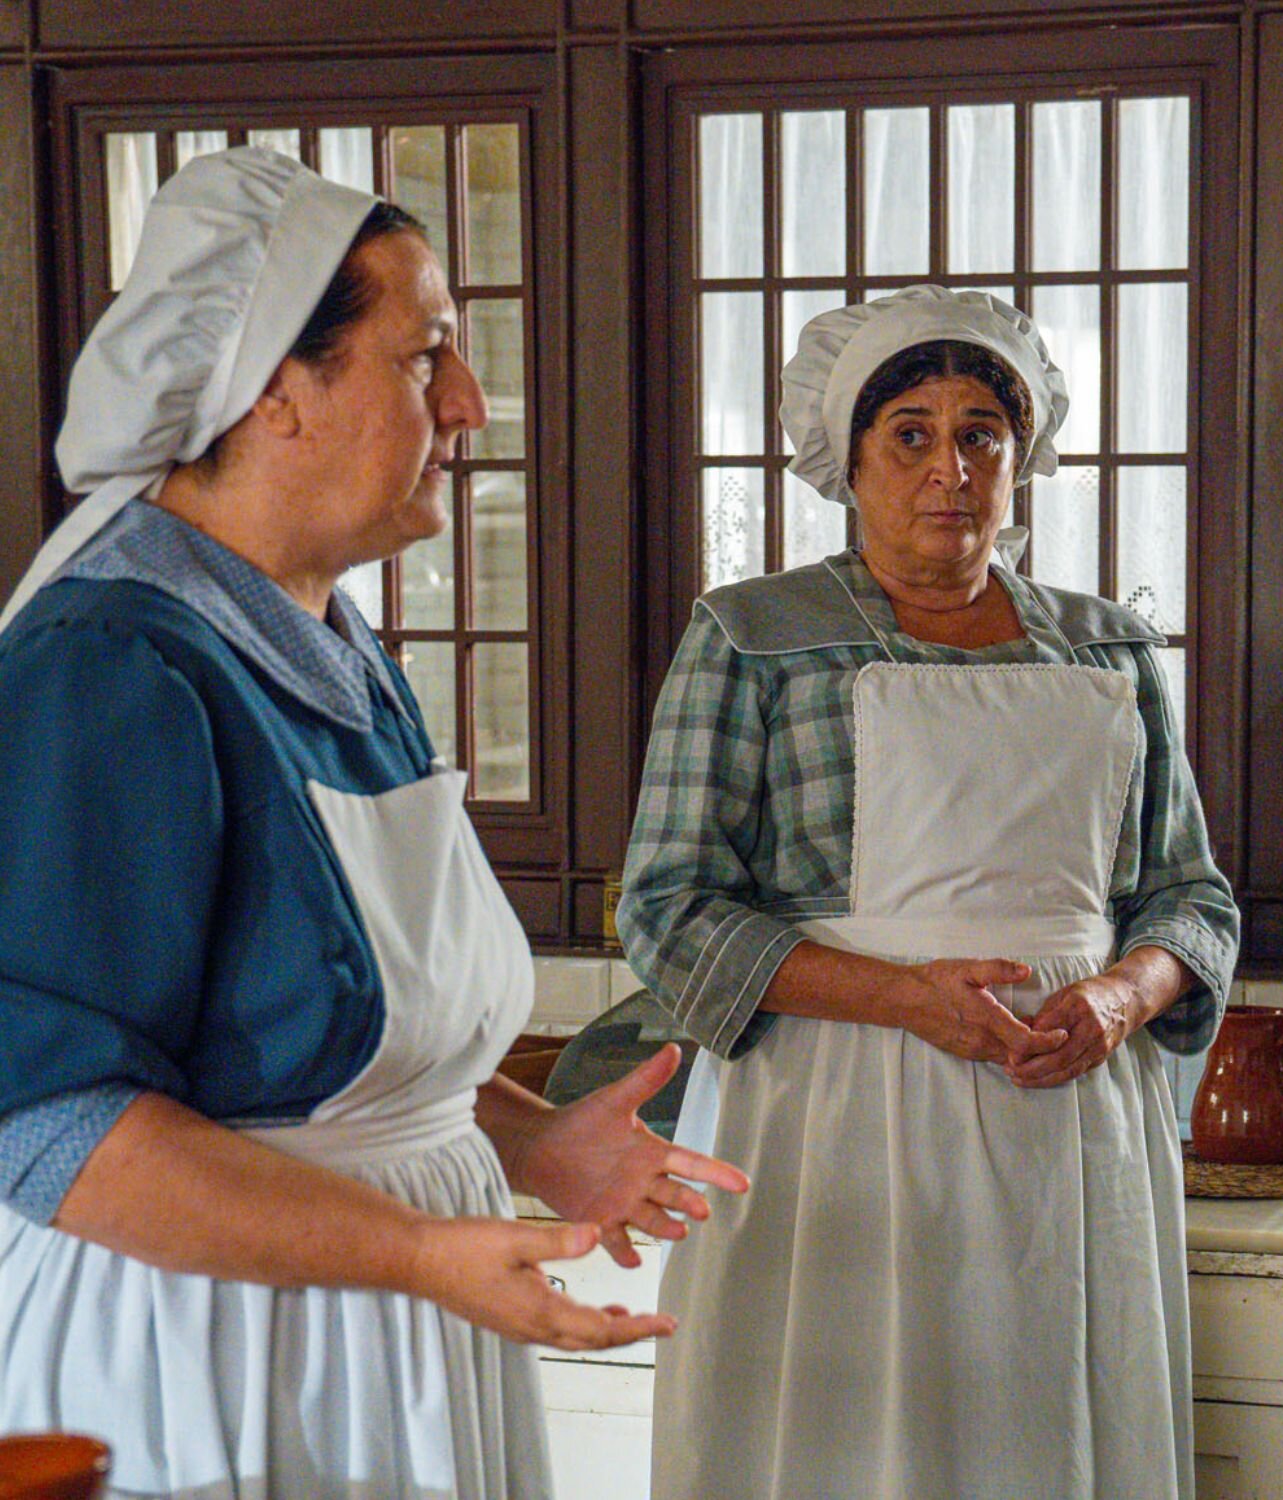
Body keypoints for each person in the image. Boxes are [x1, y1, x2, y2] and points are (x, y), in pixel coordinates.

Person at [0, 147, 746, 1498]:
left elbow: (327, 1041)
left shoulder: (332, 642)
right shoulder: (110, 666)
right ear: (277, 388)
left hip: (386, 1316)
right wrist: (413, 1251)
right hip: (205, 1353)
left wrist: (527, 1139)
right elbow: (49, 1128)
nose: (469, 403)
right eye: (427, 356)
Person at [618, 284, 1239, 1500]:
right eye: (909, 434)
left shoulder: (1108, 649)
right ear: (846, 461)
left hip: (1065, 1111)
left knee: (1045, 1429)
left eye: (979, 435)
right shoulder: (753, 636)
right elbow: (669, 906)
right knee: (847, 1446)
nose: (948, 468)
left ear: (1022, 458)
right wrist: (902, 997)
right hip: (833, 1113)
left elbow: (1191, 899)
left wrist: (1119, 996)